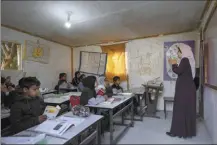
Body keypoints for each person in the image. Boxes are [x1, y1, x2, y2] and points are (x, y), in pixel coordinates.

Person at [167, 46, 196, 138]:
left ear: (182, 52)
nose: (177, 54)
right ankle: (181, 132)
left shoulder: (185, 60)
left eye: (178, 52)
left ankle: (177, 132)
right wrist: (174, 63)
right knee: (183, 111)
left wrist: (173, 63)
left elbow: (178, 71)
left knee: (179, 110)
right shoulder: (185, 61)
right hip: (185, 91)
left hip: (185, 92)